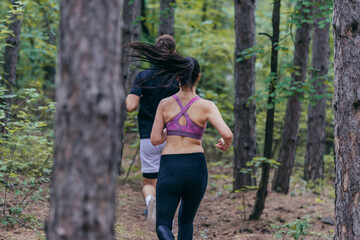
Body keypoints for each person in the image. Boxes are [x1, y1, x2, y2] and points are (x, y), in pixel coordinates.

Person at [128, 42, 233, 240]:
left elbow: (155, 138)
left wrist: (171, 130)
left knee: (163, 224)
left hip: (170, 167)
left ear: (177, 78)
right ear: (198, 77)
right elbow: (227, 134)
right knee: (186, 221)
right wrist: (225, 145)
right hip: (196, 167)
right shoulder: (207, 106)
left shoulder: (165, 104)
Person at [126, 35, 179, 232]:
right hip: (175, 137)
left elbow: (131, 106)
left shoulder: (143, 76)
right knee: (171, 180)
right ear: (174, 51)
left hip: (149, 136)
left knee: (150, 182)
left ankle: (151, 204)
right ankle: (167, 216)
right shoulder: (179, 77)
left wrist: (135, 95)